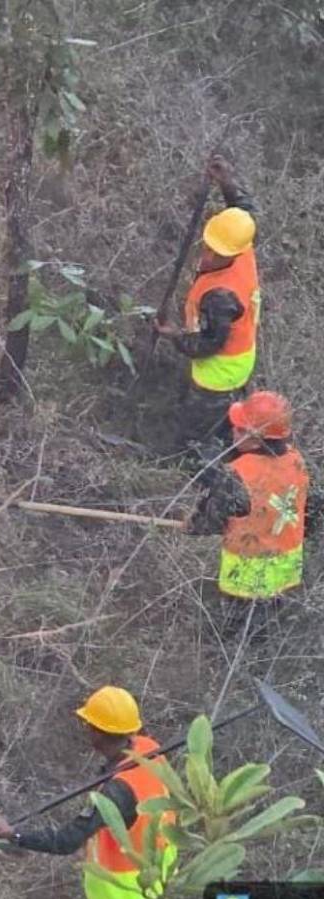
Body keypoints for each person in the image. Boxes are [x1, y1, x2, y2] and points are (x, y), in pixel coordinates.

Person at [0, 686, 177, 899]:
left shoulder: (116, 792)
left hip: (125, 890)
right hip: (163, 872)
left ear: (97, 732)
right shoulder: (150, 749)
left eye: (88, 725)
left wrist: (12, 833)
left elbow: (66, 841)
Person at [154, 156, 260, 455]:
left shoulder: (221, 297)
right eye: (208, 246)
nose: (208, 254)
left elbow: (209, 344)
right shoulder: (244, 243)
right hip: (241, 357)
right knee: (227, 417)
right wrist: (226, 182)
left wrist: (174, 335)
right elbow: (245, 213)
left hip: (218, 375)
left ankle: (193, 465)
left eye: (217, 252)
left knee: (196, 434)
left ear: (231, 252)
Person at [185, 391, 309, 606]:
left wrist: (191, 525)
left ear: (256, 438)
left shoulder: (239, 474)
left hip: (246, 580)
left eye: (241, 429)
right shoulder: (295, 460)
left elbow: (209, 523)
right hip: (287, 572)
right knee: (270, 630)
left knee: (235, 634)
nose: (234, 430)